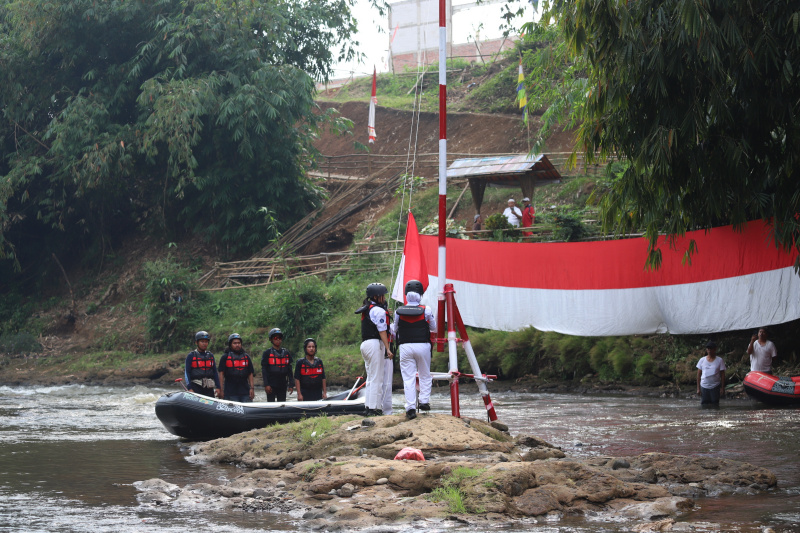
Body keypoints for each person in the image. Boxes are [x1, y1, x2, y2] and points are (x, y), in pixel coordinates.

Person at [391, 279, 436, 420]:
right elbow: (433, 328)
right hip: (423, 345)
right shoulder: (426, 310)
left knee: (408, 378)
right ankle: (423, 402)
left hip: (405, 347)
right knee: (424, 374)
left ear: (406, 294)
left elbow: (395, 329)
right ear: (420, 294)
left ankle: (410, 408)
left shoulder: (398, 311)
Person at [356, 282, 394, 416]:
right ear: (376, 296)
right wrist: (388, 349)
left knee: (371, 377)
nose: (384, 297)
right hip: (374, 344)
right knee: (377, 378)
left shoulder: (368, 308)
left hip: (365, 344)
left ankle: (369, 406)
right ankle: (374, 408)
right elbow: (382, 331)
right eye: (382, 295)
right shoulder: (377, 310)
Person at [218, 333, 255, 402]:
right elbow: (221, 374)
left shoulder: (246, 357)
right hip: (230, 392)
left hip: (245, 392)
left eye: (239, 343)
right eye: (234, 343)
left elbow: (250, 373)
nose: (237, 345)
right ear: (230, 345)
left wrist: (252, 388)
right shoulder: (225, 357)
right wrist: (221, 390)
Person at [184, 331, 220, 398]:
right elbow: (187, 372)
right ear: (196, 342)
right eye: (202, 341)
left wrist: (218, 387)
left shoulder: (210, 355)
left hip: (209, 388)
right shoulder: (191, 355)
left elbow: (215, 372)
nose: (204, 344)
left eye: (206, 342)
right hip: (196, 386)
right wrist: (190, 388)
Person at [261, 328, 294, 402]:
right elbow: (264, 370)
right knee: (271, 404)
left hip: (282, 384)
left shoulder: (286, 353)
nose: (278, 340)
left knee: (282, 404)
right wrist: (266, 385)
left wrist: (291, 384)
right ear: (271, 340)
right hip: (271, 384)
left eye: (280, 338)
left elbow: (289, 369)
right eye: (275, 338)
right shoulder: (267, 353)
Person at [696, 341, 726, 405]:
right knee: (704, 405)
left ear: (715, 349)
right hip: (704, 386)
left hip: (715, 386)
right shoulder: (702, 360)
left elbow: (722, 375)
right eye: (708, 349)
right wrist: (698, 388)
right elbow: (698, 374)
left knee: (715, 404)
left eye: (711, 349)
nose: (709, 350)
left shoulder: (719, 360)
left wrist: (722, 388)